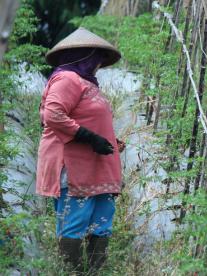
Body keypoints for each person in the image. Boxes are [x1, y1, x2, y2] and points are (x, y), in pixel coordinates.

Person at [36, 27, 125, 274]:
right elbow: (53, 114)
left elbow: (88, 118)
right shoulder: (67, 79)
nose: (99, 64)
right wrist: (88, 137)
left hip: (97, 166)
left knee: (101, 223)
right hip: (75, 166)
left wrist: (108, 140)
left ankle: (93, 272)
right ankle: (70, 271)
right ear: (86, 56)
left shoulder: (88, 84)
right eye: (97, 58)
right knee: (74, 222)